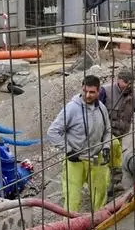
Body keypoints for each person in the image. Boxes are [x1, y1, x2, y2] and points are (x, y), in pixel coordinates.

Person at [47, 75, 112, 212]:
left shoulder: (102, 108)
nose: (87, 95)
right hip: (75, 160)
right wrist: (69, 150)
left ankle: (99, 224)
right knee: (73, 197)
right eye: (85, 91)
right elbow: (52, 132)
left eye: (92, 92)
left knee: (100, 192)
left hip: (96, 158)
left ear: (98, 91)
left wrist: (106, 147)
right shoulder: (71, 109)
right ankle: (69, 227)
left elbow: (107, 130)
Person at [99, 68, 135, 192]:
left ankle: (114, 183)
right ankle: (102, 187)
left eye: (131, 82)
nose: (128, 85)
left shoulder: (134, 95)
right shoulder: (105, 91)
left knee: (116, 156)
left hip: (120, 133)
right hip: (104, 133)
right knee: (106, 158)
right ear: (118, 80)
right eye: (125, 82)